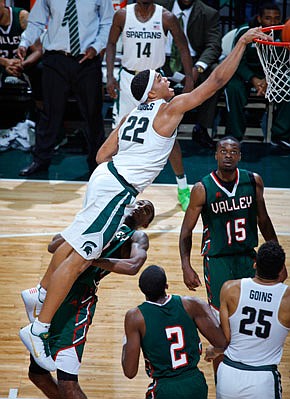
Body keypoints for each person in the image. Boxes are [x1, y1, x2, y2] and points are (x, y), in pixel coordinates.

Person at [19, 26, 271, 372]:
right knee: (81, 258)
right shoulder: (167, 109)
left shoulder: (131, 114)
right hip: (117, 187)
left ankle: (41, 292)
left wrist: (128, 164)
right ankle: (39, 328)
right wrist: (241, 43)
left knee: (76, 238)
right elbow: (214, 83)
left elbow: (101, 155)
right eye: (163, 78)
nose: (169, 80)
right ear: (152, 90)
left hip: (105, 180)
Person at [22, 199, 154, 399]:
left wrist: (89, 258)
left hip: (78, 300)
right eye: (140, 202)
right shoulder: (102, 222)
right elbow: (53, 246)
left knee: (68, 384)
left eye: (147, 210)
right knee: (37, 375)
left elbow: (133, 266)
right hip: (55, 296)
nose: (141, 207)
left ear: (146, 223)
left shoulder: (136, 236)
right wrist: (82, 227)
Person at [106, 0, 194, 211]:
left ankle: (183, 187)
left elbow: (183, 47)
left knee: (169, 136)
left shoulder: (166, 17)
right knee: (119, 135)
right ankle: (113, 187)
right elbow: (110, 44)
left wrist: (189, 77)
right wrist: (109, 75)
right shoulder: (122, 15)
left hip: (156, 84)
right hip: (129, 81)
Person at [17, 0, 114, 176]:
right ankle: (41, 160)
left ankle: (98, 161)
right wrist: (25, 43)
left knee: (92, 114)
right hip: (56, 58)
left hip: (87, 59)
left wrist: (97, 46)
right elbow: (37, 21)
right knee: (49, 113)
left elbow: (107, 22)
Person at [180, 135, 277, 308]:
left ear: (240, 156)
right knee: (220, 312)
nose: (228, 155)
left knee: (252, 309)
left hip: (247, 257)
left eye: (233, 152)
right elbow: (186, 231)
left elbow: (264, 220)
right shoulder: (202, 189)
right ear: (216, 155)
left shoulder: (253, 181)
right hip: (218, 260)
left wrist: (277, 256)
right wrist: (186, 266)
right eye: (223, 151)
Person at [122, 264, 227, 399]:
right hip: (195, 384)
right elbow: (222, 343)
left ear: (142, 290)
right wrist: (213, 351)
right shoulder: (192, 304)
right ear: (166, 286)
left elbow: (130, 372)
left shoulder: (135, 317)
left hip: (165, 389)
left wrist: (126, 341)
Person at [205, 240, 290, 398]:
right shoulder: (287, 300)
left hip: (228, 375)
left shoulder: (230, 289)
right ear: (281, 270)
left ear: (255, 264)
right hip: (262, 380)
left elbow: (225, 339)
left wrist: (214, 350)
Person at [155, 0, 222, 149]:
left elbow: (214, 45)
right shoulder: (158, 7)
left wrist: (198, 68)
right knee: (151, 75)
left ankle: (202, 128)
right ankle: (159, 127)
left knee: (212, 74)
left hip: (194, 60)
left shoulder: (208, 13)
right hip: (162, 58)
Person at [225, 3, 290, 148]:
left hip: (273, 74)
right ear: (259, 19)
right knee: (233, 88)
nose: (272, 22)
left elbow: (285, 62)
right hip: (244, 72)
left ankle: (280, 135)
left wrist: (269, 79)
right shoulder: (245, 31)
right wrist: (253, 79)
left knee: (289, 85)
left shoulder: (284, 32)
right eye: (268, 18)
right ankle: (235, 135)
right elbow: (237, 61)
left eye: (276, 18)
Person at [0, 0, 42, 131]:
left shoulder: (22, 17)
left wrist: (22, 64)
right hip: (2, 63)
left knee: (41, 69)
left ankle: (42, 120)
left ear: (2, 2)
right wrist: (4, 62)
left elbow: (38, 51)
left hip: (24, 63)